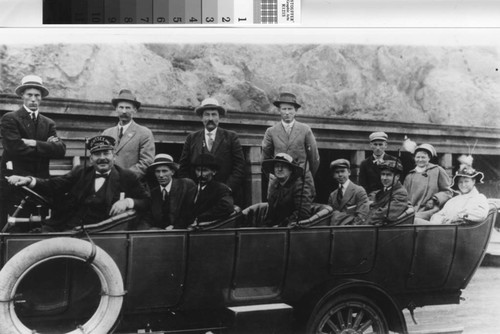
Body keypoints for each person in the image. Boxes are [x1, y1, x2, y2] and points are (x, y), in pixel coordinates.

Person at [6, 135, 149, 232]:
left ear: (114, 156)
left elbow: (146, 200)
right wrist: (29, 180)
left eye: (106, 153)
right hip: (67, 227)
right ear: (91, 159)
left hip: (100, 233)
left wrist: (128, 202)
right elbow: (54, 185)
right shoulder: (81, 172)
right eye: (97, 154)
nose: (102, 158)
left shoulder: (127, 177)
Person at [0, 74, 66, 229]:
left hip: (39, 184)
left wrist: (34, 143)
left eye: (37, 95)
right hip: (14, 185)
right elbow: (15, 148)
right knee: (12, 228)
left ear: (42, 97)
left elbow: (60, 150)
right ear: (22, 95)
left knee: (37, 226)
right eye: (29, 95)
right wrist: (45, 146)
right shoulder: (10, 118)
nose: (33, 99)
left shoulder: (48, 123)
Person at [178, 98, 245, 204]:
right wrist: (192, 190)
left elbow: (239, 166)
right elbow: (183, 168)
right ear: (201, 117)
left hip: (225, 195)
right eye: (207, 115)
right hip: (198, 196)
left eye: (214, 114)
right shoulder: (192, 138)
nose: (210, 118)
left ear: (219, 117)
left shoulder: (231, 137)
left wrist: (227, 188)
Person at [261, 92, 320, 201]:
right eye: (284, 109)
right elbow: (265, 157)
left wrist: (306, 174)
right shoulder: (271, 131)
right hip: (279, 179)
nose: (287, 113)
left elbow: (314, 158)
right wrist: (274, 175)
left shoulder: (305, 130)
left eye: (290, 109)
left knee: (302, 211)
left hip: (301, 179)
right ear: (279, 110)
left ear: (295, 110)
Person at [102, 89, 155, 179]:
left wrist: (124, 177)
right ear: (116, 109)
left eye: (127, 108)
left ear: (134, 110)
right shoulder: (107, 133)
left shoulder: (144, 133)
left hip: (131, 183)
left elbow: (146, 162)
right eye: (121, 107)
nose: (124, 111)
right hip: (108, 183)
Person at [138, 154, 196, 230]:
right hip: (161, 235)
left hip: (182, 232)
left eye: (164, 171)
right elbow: (148, 218)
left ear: (172, 172)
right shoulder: (154, 193)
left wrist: (175, 227)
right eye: (157, 171)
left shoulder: (185, 185)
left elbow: (189, 212)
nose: (161, 175)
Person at [425, 155, 489, 225]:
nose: (463, 185)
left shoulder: (479, 198)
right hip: (447, 231)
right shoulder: (453, 200)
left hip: (464, 233)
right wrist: (444, 220)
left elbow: (481, 214)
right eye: (460, 182)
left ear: (473, 181)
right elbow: (437, 215)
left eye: (466, 181)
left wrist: (459, 216)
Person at [262, 153, 312, 227]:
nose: (279, 169)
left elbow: (303, 213)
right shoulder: (274, 185)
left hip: (291, 231)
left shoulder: (300, 186)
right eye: (277, 166)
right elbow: (271, 211)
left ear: (290, 170)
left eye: (284, 166)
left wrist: (281, 226)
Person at [403, 143, 452, 220]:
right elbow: (404, 196)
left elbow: (447, 192)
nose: (420, 160)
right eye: (417, 157)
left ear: (429, 158)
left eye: (423, 157)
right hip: (412, 210)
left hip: (431, 210)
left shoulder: (437, 170)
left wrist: (434, 199)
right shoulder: (410, 176)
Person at [191, 153, 234, 224]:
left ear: (214, 172)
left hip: (207, 229)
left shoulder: (221, 189)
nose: (200, 174)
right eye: (198, 170)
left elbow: (227, 207)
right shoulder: (192, 188)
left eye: (204, 170)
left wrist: (200, 218)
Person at [365, 159, 409, 225]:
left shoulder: (401, 193)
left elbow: (384, 214)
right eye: (383, 174)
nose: (384, 178)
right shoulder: (381, 191)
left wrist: (363, 223)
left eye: (388, 175)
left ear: (397, 177)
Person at [327, 159, 369, 225]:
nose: (340, 174)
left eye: (342, 171)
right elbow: (329, 217)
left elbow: (362, 216)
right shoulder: (332, 195)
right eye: (337, 172)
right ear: (333, 175)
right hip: (335, 231)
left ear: (349, 172)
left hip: (351, 231)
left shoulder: (359, 191)